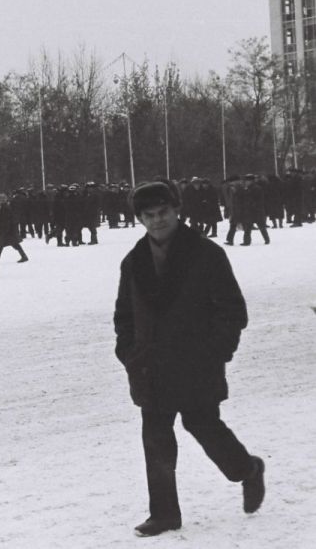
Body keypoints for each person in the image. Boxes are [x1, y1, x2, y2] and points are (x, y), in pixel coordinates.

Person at [113, 180, 265, 537]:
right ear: (140, 219)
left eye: (163, 212)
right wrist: (129, 352)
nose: (157, 221)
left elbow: (232, 311)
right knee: (155, 438)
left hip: (196, 363)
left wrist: (215, 352)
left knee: (203, 426)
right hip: (150, 366)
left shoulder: (206, 254)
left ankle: (247, 470)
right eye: (148, 215)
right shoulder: (134, 261)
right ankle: (164, 513)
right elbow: (124, 315)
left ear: (176, 210)